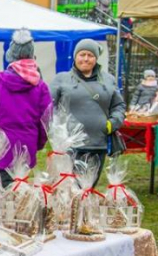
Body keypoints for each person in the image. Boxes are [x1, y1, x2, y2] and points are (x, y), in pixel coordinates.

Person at [0, 28, 52, 187]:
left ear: (10, 55)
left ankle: (6, 211)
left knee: (2, 189)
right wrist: (38, 143)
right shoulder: (40, 86)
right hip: (27, 146)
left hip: (0, 146)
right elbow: (46, 121)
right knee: (21, 188)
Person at [49, 39, 126, 187]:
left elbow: (119, 105)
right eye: (82, 54)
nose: (85, 58)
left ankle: (84, 211)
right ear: (75, 57)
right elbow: (48, 107)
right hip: (69, 147)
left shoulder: (108, 80)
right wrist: (57, 131)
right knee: (68, 189)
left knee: (88, 188)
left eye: (90, 55)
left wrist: (112, 123)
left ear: (96, 58)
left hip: (97, 144)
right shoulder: (62, 79)